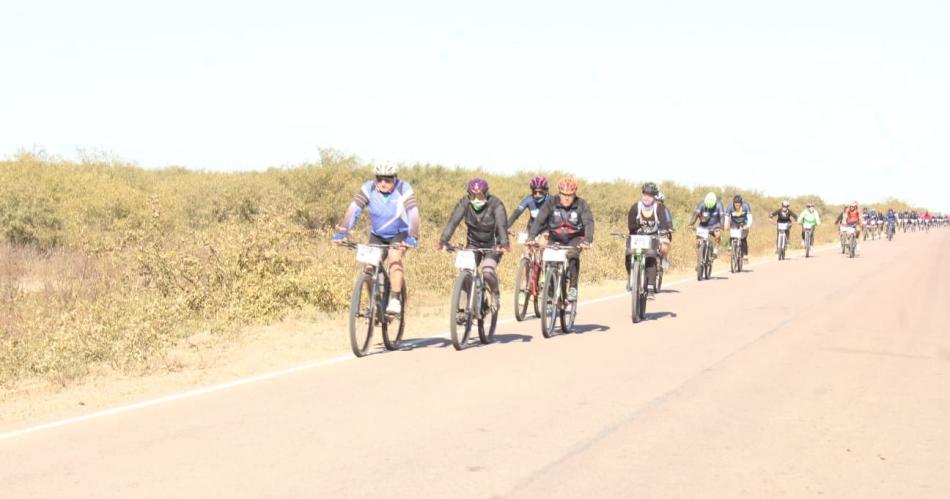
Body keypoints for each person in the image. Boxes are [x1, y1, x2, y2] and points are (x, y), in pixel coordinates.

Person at [332, 163, 420, 314]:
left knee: (394, 258)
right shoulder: (369, 188)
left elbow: (413, 212)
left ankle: (395, 299)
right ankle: (375, 303)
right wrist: (343, 232)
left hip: (399, 233)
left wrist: (412, 236)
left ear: (395, 178)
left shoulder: (403, 188)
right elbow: (354, 209)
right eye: (379, 179)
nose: (383, 183)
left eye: (388, 179)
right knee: (369, 267)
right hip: (377, 235)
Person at [437, 178, 510, 311]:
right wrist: (443, 241)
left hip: (493, 244)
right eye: (473, 196)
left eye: (480, 196)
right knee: (466, 271)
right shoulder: (464, 202)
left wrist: (504, 244)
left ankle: (495, 294)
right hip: (473, 243)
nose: (476, 199)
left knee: (487, 271)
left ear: (486, 194)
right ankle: (462, 309)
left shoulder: (496, 204)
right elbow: (453, 222)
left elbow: (502, 225)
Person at [528, 176, 594, 303]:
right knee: (549, 260)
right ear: (559, 193)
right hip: (555, 237)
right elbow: (539, 220)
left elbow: (588, 222)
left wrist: (588, 240)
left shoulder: (582, 204)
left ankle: (573, 287)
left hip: (575, 238)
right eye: (564, 195)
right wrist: (531, 236)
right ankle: (550, 289)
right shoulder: (551, 202)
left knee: (572, 255)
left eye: (570, 195)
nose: (567, 198)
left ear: (574, 194)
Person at [627, 182, 673, 293]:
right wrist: (637, 226)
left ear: (654, 196)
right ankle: (631, 276)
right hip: (638, 237)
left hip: (652, 237)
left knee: (651, 257)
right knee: (628, 254)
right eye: (645, 194)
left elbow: (664, 223)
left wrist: (664, 233)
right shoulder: (635, 207)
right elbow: (631, 226)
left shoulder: (659, 208)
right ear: (642, 194)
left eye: (650, 195)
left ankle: (651, 285)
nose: (647, 197)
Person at [689, 192, 726, 258]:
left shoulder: (719, 204)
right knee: (698, 242)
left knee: (718, 236)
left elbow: (722, 216)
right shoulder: (702, 204)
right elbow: (696, 214)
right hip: (704, 225)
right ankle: (699, 258)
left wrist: (722, 226)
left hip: (715, 225)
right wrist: (691, 224)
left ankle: (715, 251)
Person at [725, 194, 754, 262]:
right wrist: (726, 225)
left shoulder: (746, 206)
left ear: (741, 203)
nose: (737, 205)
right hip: (734, 223)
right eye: (735, 203)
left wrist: (748, 226)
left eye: (738, 203)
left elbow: (750, 218)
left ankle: (745, 255)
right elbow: (726, 218)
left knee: (743, 239)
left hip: (744, 223)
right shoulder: (730, 207)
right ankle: (731, 247)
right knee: (733, 236)